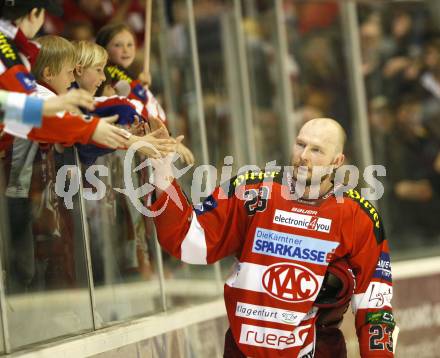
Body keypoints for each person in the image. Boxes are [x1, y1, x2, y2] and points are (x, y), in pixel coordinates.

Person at [150, 118, 395, 357]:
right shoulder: (251, 191)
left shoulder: (359, 216)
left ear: (337, 161)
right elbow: (190, 239)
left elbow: (374, 302)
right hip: (244, 350)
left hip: (319, 350)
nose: (304, 155)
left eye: (317, 150)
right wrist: (162, 171)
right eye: (300, 144)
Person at [0, 0, 130, 150]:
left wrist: (48, 107)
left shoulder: (13, 50)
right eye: (44, 13)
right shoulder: (8, 57)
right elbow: (27, 118)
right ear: (34, 13)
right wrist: (90, 129)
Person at [96, 23, 195, 165]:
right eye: (118, 45)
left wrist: (139, 85)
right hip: (131, 152)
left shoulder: (127, 75)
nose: (126, 50)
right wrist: (167, 139)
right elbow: (132, 111)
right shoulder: (110, 76)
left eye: (130, 45)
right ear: (104, 48)